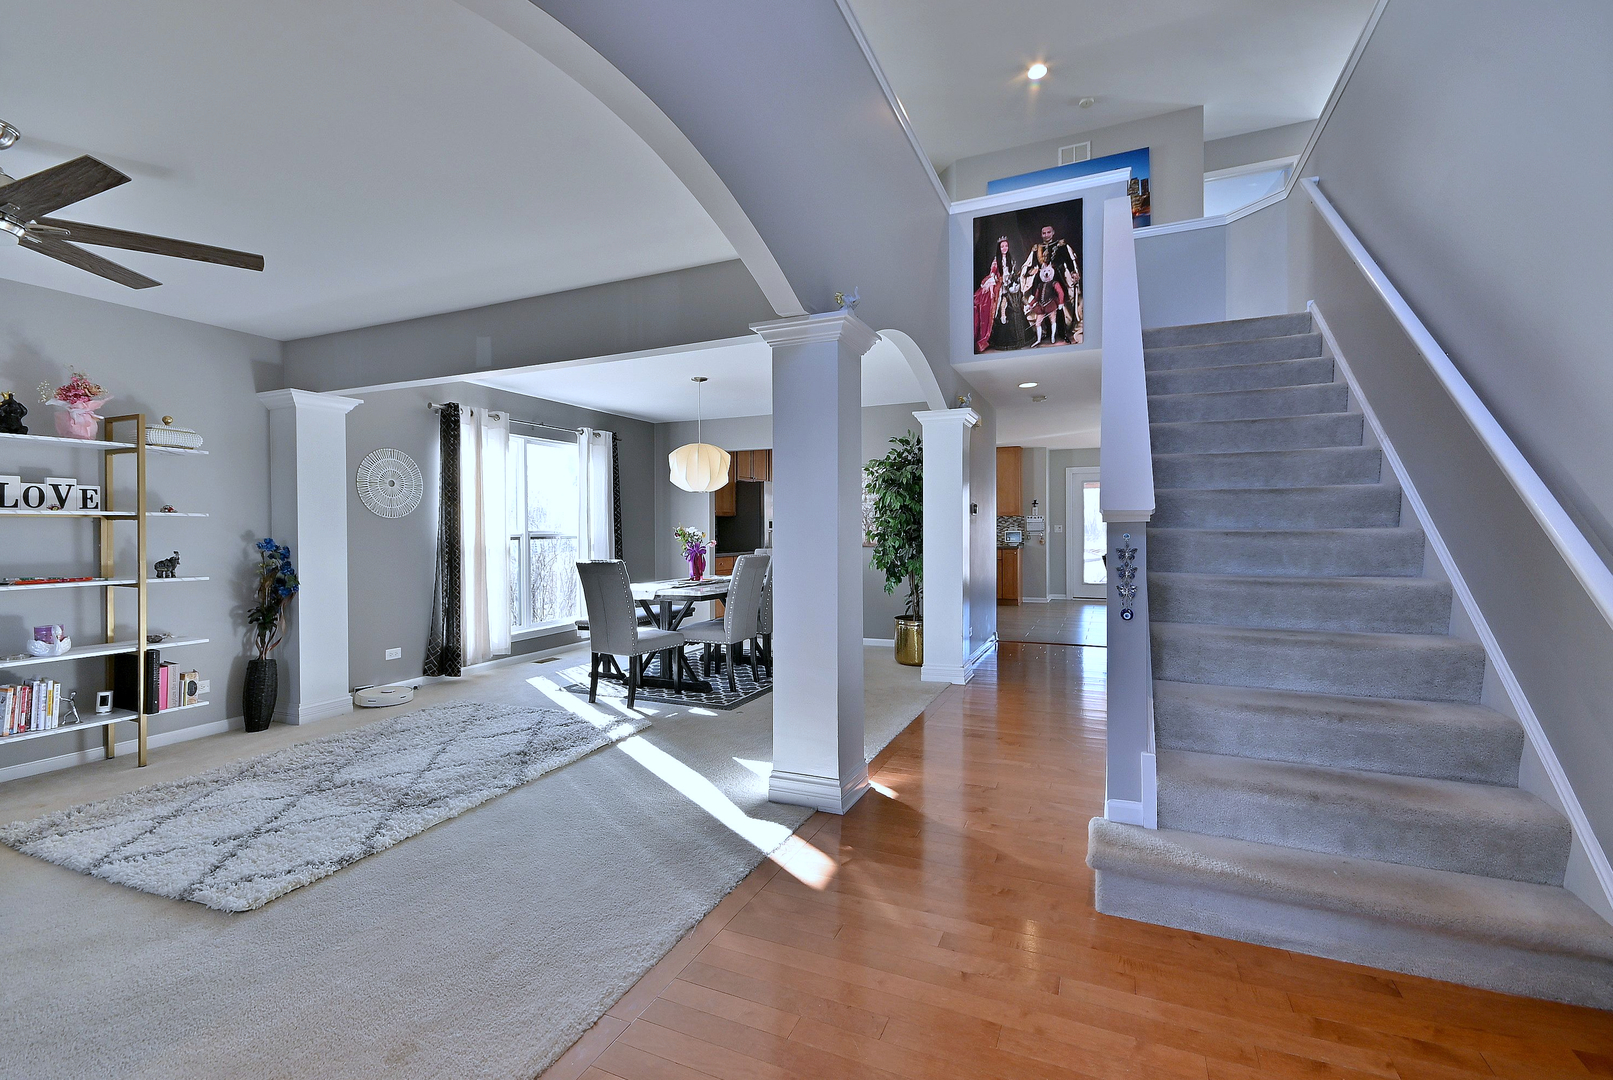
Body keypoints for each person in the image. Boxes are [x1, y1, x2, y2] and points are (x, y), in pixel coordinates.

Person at [1021, 223, 1082, 344]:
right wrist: (1030, 271)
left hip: (1057, 279)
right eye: (1043, 233)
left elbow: (1068, 260)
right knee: (1043, 306)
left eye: (1048, 232)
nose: (1046, 235)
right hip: (1041, 281)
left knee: (1059, 306)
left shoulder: (1061, 245)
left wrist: (1073, 272)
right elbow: (1032, 264)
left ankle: (1062, 332)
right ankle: (1048, 333)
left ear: (1053, 233)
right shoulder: (1037, 248)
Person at [988, 236, 1032, 351]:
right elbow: (992, 274)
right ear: (999, 248)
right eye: (1002, 246)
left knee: (1016, 304)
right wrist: (1000, 280)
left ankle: (1021, 336)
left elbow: (1012, 272)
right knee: (1002, 305)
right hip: (1002, 287)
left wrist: (1012, 279)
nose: (1004, 248)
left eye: (1006, 246)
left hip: (1011, 286)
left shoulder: (1010, 259)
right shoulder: (996, 260)